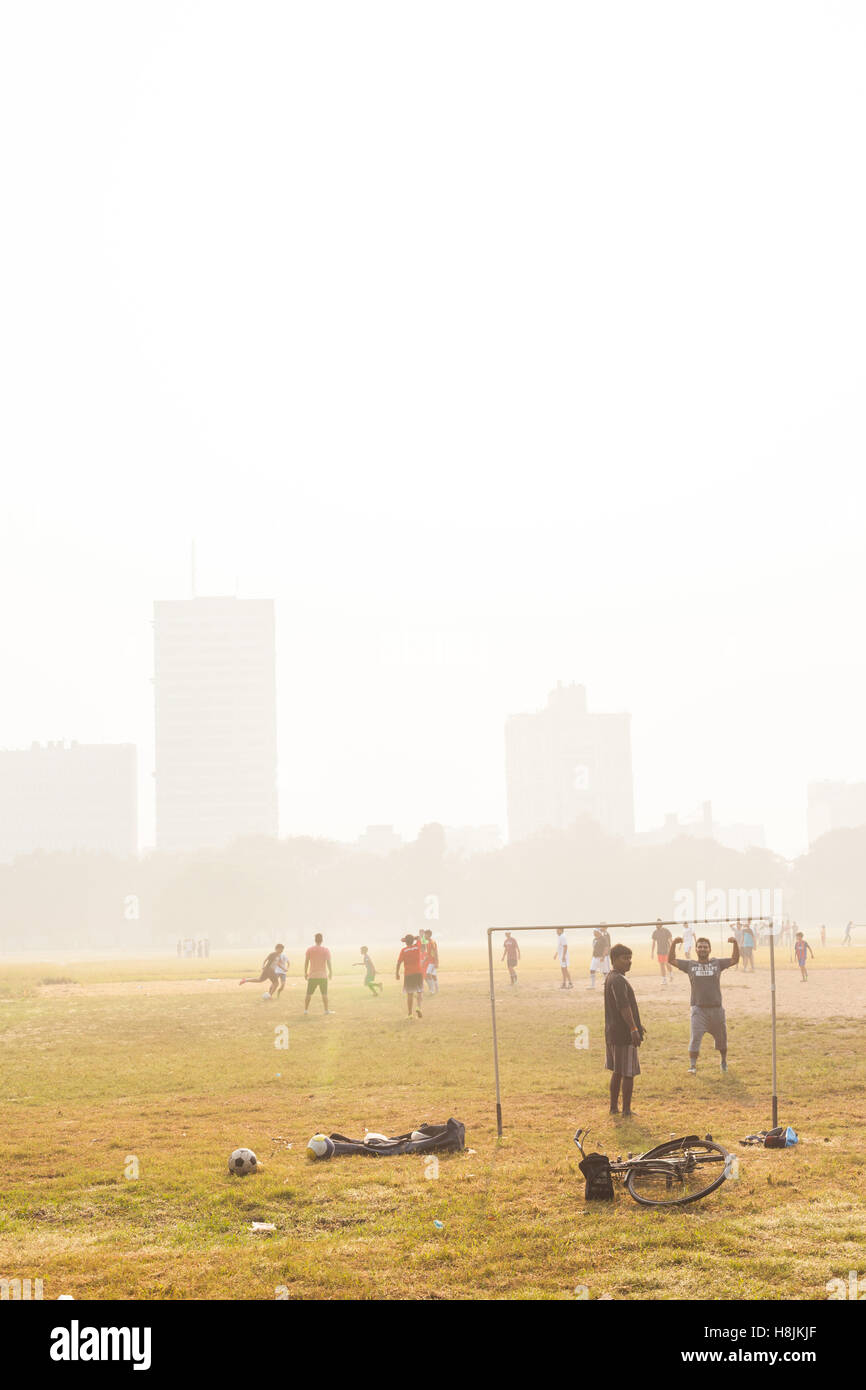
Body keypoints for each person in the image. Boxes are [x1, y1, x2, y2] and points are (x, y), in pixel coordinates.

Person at [669, 933, 739, 1073]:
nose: (702, 949)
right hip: (698, 1009)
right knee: (695, 1038)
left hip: (716, 1009)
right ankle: (692, 1066)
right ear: (696, 949)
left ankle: (723, 1061)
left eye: (705, 947)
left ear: (709, 949)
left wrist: (735, 943)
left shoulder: (716, 963)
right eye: (699, 947)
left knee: (721, 1039)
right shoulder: (690, 965)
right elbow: (671, 960)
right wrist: (674, 944)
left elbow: (734, 959)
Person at [603, 944, 644, 1119]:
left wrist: (638, 1025)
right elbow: (624, 1007)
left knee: (618, 1071)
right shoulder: (618, 980)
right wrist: (633, 1028)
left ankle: (613, 1107)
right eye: (624, 958)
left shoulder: (611, 978)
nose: (629, 962)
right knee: (628, 1072)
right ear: (614, 960)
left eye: (630, 958)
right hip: (623, 1034)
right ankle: (626, 1110)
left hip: (613, 1032)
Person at [303, 933, 334, 1016]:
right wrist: (331, 972)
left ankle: (306, 1010)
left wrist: (305, 972)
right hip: (322, 976)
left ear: (315, 940)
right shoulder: (325, 950)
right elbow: (328, 962)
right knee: (324, 994)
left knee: (308, 993)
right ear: (322, 940)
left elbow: (306, 962)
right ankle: (326, 1010)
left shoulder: (309, 949)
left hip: (312, 975)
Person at [396, 934, 425, 1019]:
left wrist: (397, 973)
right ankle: (418, 1007)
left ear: (406, 942)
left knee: (410, 994)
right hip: (418, 972)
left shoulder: (404, 950)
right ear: (413, 941)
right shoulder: (417, 947)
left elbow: (398, 963)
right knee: (419, 991)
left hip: (408, 974)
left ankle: (410, 1014)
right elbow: (422, 942)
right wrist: (416, 938)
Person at [651, 919, 673, 985]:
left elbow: (671, 940)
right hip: (659, 951)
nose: (656, 925)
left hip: (666, 950)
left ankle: (671, 974)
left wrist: (672, 950)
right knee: (661, 965)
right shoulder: (655, 932)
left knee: (667, 963)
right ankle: (664, 980)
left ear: (661, 924)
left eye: (658, 923)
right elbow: (654, 943)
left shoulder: (666, 931)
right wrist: (652, 952)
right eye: (656, 923)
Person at [422, 928, 439, 994]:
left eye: (425, 935)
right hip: (430, 961)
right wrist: (424, 960)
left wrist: (436, 962)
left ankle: (432, 990)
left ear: (428, 935)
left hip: (432, 961)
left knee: (428, 974)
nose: (424, 936)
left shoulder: (432, 942)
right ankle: (436, 989)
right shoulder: (428, 942)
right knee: (433, 975)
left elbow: (435, 952)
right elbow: (428, 953)